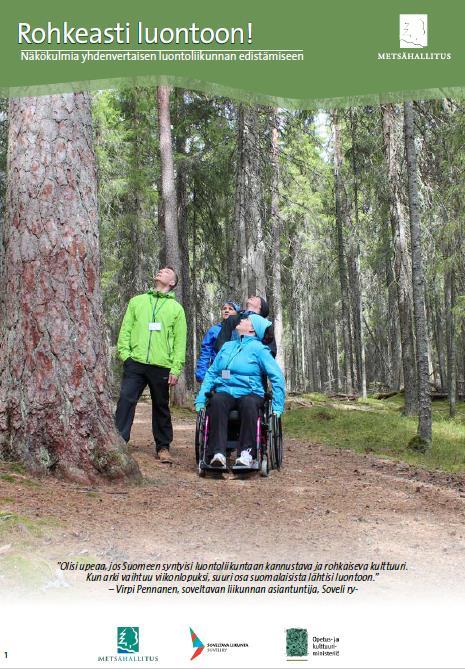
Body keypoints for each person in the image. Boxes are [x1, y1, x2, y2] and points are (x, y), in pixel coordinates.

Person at [115, 267, 187, 464]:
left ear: (172, 282)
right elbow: (126, 329)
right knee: (125, 400)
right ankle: (119, 442)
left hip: (161, 365)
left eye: (166, 272)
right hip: (135, 363)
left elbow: (180, 341)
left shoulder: (176, 309)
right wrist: (125, 355)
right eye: (160, 270)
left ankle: (163, 447)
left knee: (161, 406)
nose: (160, 272)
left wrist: (175, 368)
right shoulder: (137, 301)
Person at [195, 314, 285, 468]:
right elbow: (211, 373)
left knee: (249, 403)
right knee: (216, 401)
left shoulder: (259, 349)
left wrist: (277, 406)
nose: (241, 320)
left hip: (250, 392)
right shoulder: (227, 346)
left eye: (246, 320)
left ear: (252, 330)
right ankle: (218, 454)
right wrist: (201, 399)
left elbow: (276, 376)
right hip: (226, 391)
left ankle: (247, 454)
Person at [195, 301, 240, 383]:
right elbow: (205, 352)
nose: (226, 311)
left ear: (237, 312)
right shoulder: (214, 330)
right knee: (222, 390)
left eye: (230, 309)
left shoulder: (241, 330)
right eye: (224, 309)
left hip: (239, 372)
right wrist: (202, 374)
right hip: (220, 371)